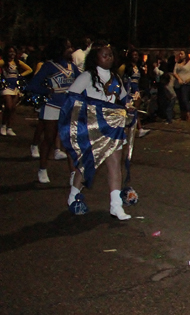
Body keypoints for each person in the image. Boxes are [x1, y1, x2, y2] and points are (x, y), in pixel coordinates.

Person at [59, 44, 135, 221]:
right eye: (104, 55)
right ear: (95, 58)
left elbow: (124, 100)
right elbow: (71, 98)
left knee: (115, 165)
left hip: (113, 128)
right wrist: (92, 112)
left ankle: (116, 206)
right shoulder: (87, 76)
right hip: (94, 129)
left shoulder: (116, 77)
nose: (108, 58)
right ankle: (74, 195)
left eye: (110, 55)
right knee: (87, 165)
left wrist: (130, 108)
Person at [26, 37, 79, 184]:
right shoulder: (49, 66)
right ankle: (42, 169)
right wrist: (47, 91)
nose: (71, 49)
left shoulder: (72, 67)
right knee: (49, 139)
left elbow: (82, 83)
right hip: (51, 107)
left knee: (70, 141)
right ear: (60, 49)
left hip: (68, 107)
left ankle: (73, 174)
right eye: (68, 47)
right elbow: (32, 85)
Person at [1, 46, 33, 136]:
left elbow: (29, 69)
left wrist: (20, 76)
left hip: (15, 86)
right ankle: (3, 125)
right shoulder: (4, 62)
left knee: (13, 108)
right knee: (8, 106)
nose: (12, 54)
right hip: (6, 87)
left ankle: (9, 127)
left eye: (14, 52)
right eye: (10, 52)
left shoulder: (18, 62)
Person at [119, 48, 149, 138]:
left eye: (137, 55)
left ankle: (137, 128)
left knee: (135, 109)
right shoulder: (125, 67)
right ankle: (137, 129)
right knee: (131, 109)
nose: (136, 57)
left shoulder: (138, 66)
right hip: (129, 90)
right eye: (134, 55)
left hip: (136, 89)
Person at [171, 50, 190, 121]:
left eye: (182, 54)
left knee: (185, 98)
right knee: (180, 99)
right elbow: (174, 72)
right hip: (178, 84)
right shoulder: (177, 63)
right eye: (180, 54)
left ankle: (189, 114)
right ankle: (183, 115)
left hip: (187, 83)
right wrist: (179, 79)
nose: (180, 55)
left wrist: (189, 79)